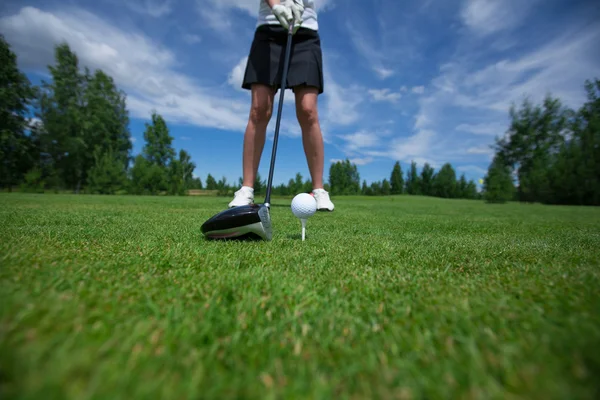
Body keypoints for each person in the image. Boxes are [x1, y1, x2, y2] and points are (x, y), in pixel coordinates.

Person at [228, 0, 335, 211]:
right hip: (268, 31)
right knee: (259, 110)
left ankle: (319, 190)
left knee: (308, 110)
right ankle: (247, 189)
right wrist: (276, 5)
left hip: (305, 33)